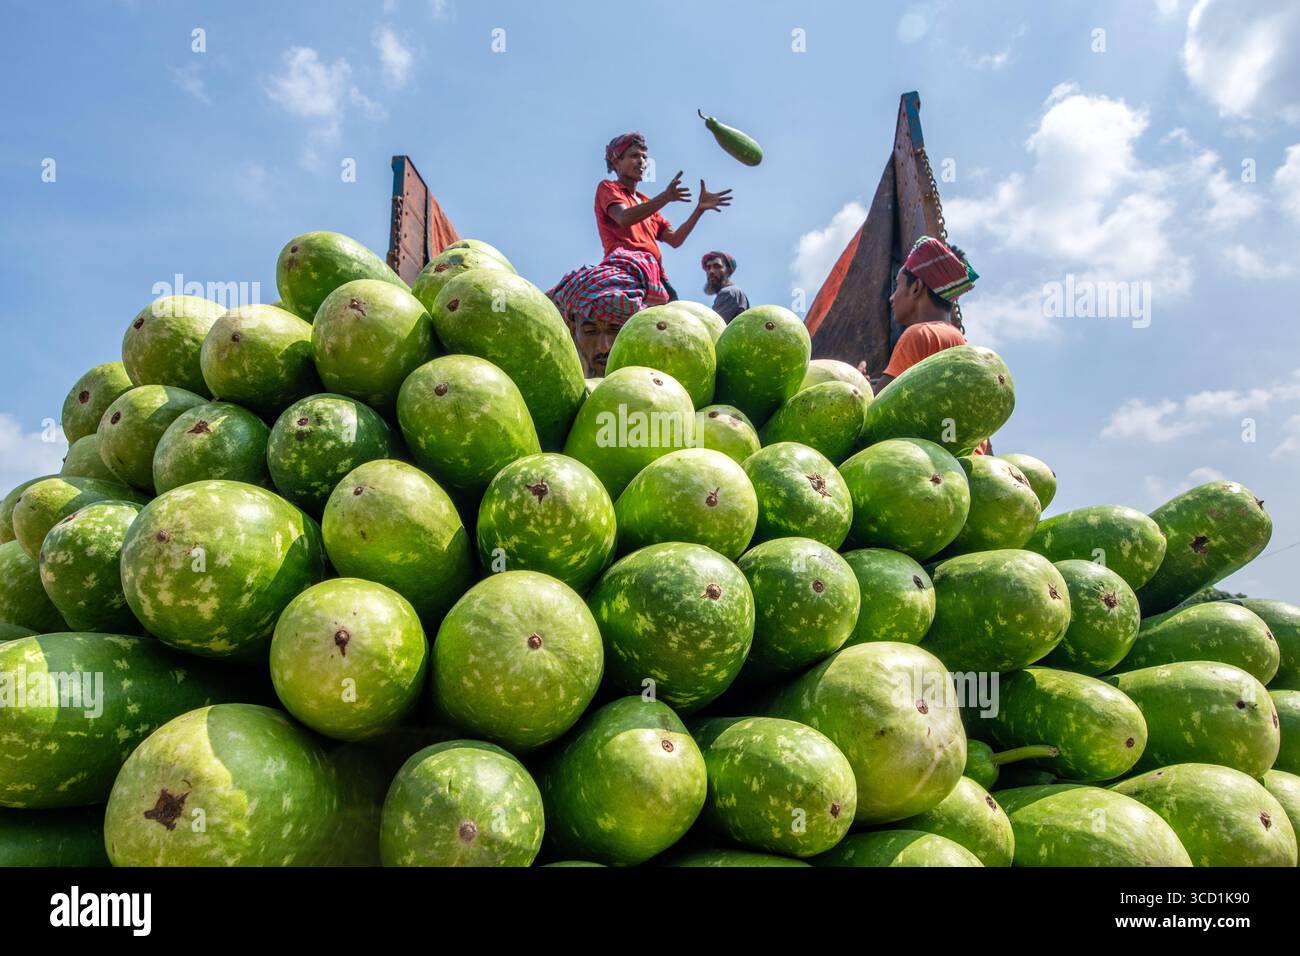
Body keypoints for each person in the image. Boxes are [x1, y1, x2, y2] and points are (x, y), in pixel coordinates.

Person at [549, 131, 732, 376]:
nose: (641, 161)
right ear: (615, 161)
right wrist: (665, 198)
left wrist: (699, 209)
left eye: (644, 157)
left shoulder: (645, 201)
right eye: (634, 156)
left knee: (671, 334)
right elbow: (623, 218)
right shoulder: (609, 188)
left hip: (655, 278)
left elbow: (675, 240)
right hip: (625, 269)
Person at [871, 235, 991, 454]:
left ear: (916, 287)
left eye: (897, 286)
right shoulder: (963, 345)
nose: (891, 298)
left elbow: (874, 412)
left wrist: (858, 382)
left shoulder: (920, 335)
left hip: (929, 466)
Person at [700, 250, 749, 322]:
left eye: (717, 266)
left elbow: (714, 325)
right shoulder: (733, 292)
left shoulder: (729, 292)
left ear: (728, 271)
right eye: (708, 268)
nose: (711, 271)